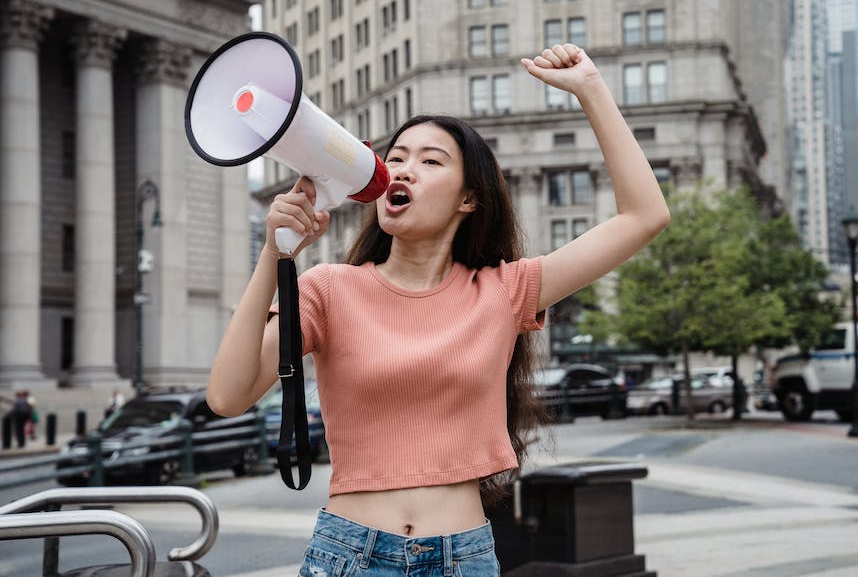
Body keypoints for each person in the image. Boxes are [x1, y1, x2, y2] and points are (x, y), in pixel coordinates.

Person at [206, 44, 670, 576]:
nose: (404, 170)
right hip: (349, 556)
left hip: (462, 558)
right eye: (396, 157)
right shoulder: (328, 289)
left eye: (431, 161)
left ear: (468, 199)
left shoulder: (504, 290)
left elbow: (644, 215)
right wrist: (275, 253)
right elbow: (226, 396)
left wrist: (590, 88)